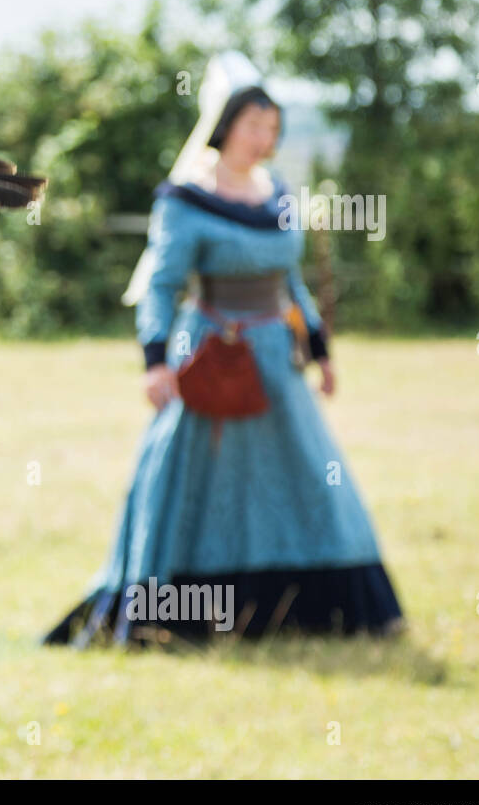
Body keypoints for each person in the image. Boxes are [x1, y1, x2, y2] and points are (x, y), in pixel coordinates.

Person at [45, 52, 402, 646]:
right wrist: (156, 362)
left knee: (309, 475)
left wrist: (320, 350)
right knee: (193, 481)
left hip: (274, 360)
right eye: (255, 123)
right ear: (227, 125)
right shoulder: (185, 199)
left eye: (273, 124)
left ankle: (311, 609)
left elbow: (292, 285)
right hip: (207, 352)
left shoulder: (278, 195)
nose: (266, 136)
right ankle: (176, 617)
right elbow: (160, 285)